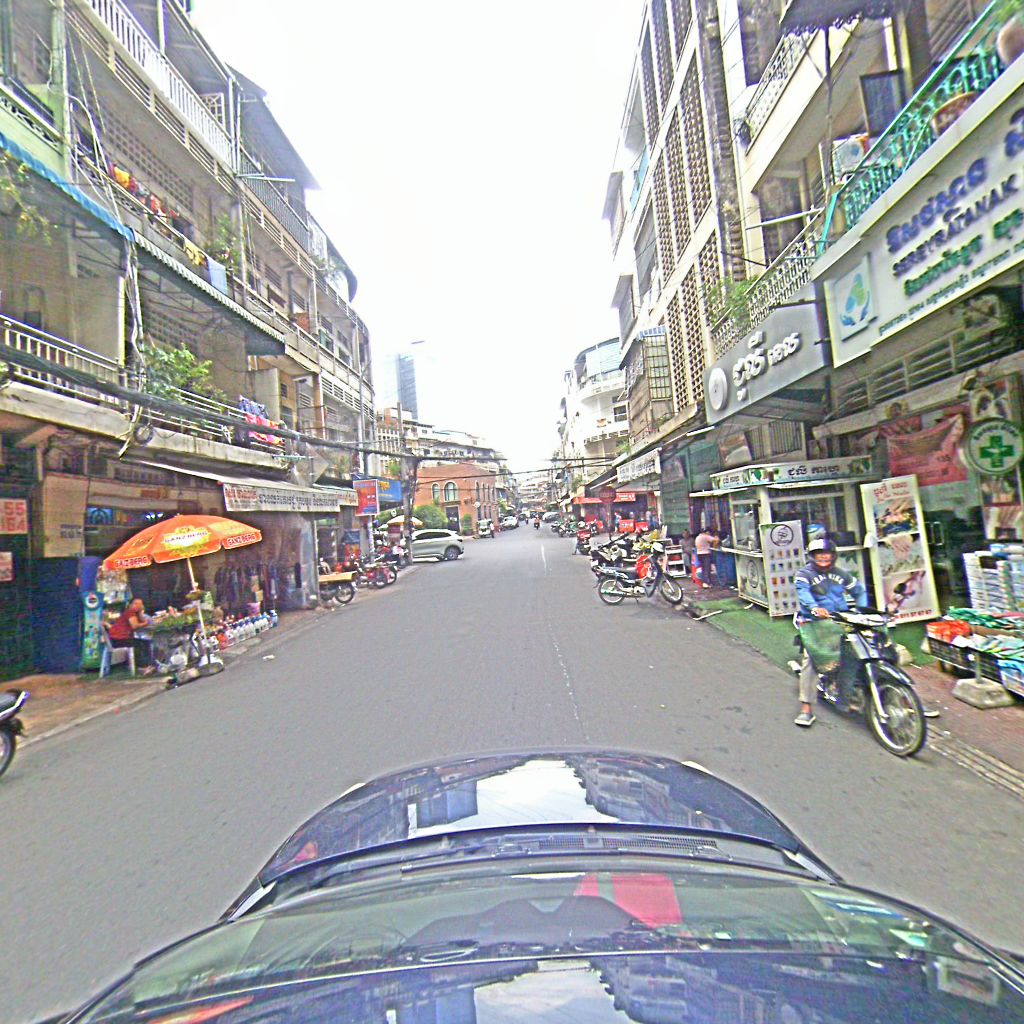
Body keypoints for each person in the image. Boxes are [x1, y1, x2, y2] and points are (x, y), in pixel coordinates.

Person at [792, 538, 868, 728]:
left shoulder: (841, 574)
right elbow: (803, 592)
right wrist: (814, 607)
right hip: (814, 623)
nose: (823, 557)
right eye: (819, 554)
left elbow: (859, 591)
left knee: (865, 647)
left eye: (826, 553)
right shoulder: (804, 574)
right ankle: (806, 709)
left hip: (840, 620)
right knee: (811, 660)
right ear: (812, 557)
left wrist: (862, 611)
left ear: (833, 556)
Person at [107, 597, 154, 671]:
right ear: (130, 605)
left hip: (122, 638)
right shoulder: (130, 612)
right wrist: (145, 623)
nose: (138, 606)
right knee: (141, 643)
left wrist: (140, 612)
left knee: (144, 642)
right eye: (136, 604)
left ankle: (147, 665)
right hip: (118, 639)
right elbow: (135, 626)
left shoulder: (135, 613)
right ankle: (143, 667)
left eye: (140, 604)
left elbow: (142, 620)